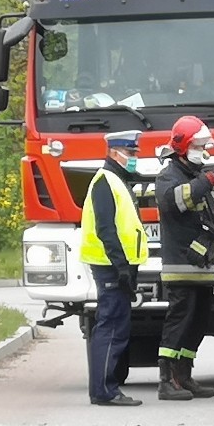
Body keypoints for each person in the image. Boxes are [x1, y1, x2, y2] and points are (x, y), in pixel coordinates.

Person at [155, 116, 214, 401]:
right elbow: (173, 202)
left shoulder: (197, 175)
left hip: (202, 267)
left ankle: (184, 375)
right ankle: (166, 381)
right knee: (179, 321)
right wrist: (206, 181)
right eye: (200, 145)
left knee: (198, 322)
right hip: (182, 268)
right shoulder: (170, 176)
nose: (205, 151)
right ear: (184, 146)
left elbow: (211, 220)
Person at [79, 130, 147, 406]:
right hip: (109, 266)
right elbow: (106, 229)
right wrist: (121, 267)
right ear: (115, 152)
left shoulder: (116, 180)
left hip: (115, 265)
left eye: (134, 154)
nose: (134, 159)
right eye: (131, 154)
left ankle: (104, 389)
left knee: (115, 325)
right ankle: (105, 390)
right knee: (111, 326)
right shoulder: (105, 181)